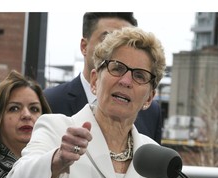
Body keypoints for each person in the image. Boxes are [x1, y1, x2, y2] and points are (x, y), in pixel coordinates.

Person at [6, 26, 167, 178]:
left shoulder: (155, 157)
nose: (126, 81)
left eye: (139, 75)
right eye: (117, 68)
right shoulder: (56, 128)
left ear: (149, 97)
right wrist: (58, 160)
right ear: (94, 81)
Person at [44, 12, 162, 143]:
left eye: (139, 75)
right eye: (108, 38)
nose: (117, 45)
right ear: (84, 46)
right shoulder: (49, 101)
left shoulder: (152, 112)